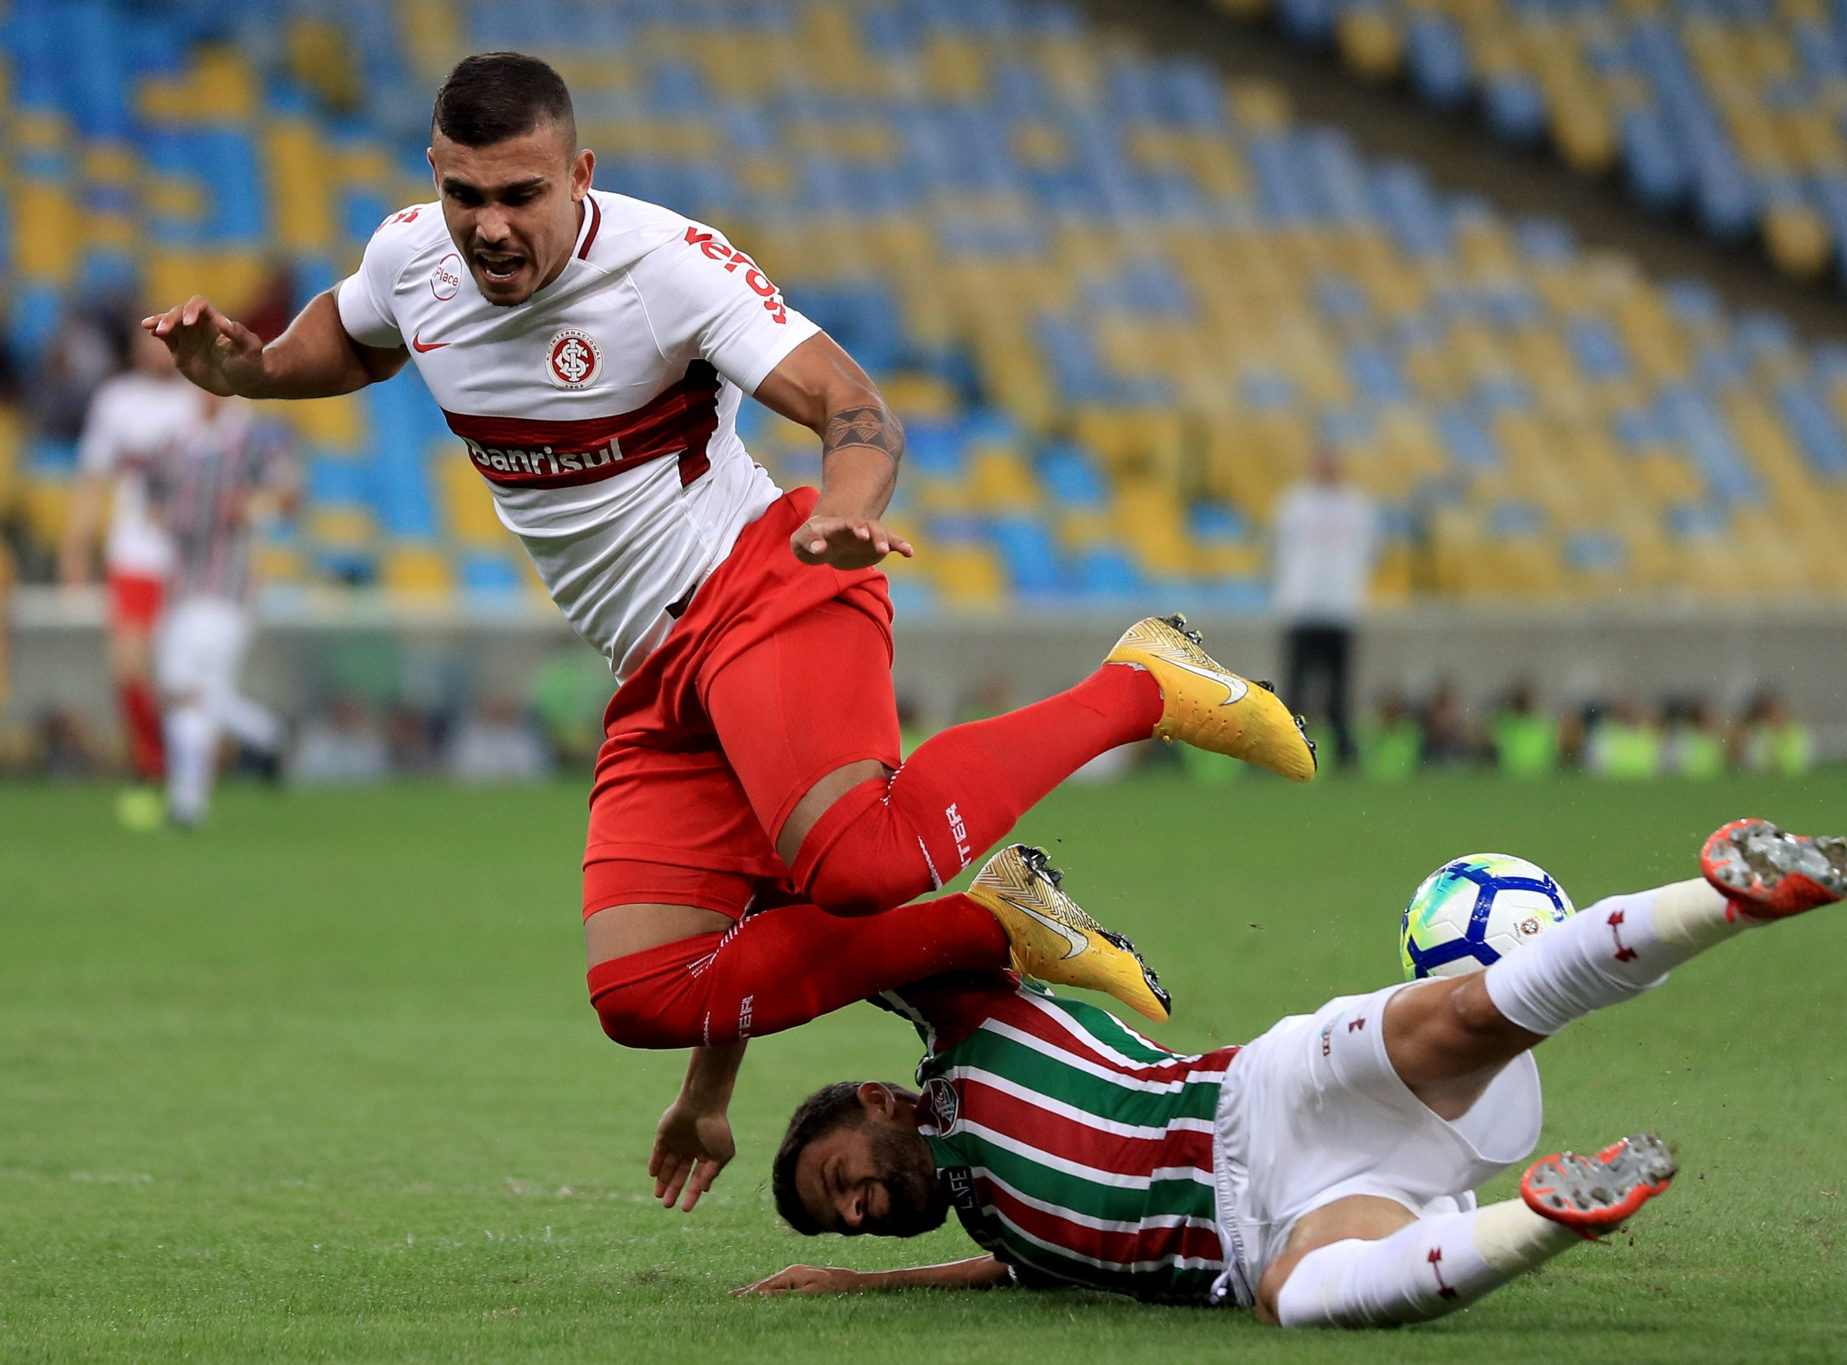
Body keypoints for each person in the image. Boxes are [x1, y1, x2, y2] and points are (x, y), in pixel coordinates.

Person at [140, 51, 1315, 1206]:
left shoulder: (666, 266)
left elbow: (852, 405)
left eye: (521, 196)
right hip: (655, 670)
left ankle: (1143, 686)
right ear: (434, 177)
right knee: (644, 992)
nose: (490, 227)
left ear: (580, 174)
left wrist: (848, 519)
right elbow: (340, 343)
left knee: (850, 864)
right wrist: (243, 372)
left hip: (761, 580)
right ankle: (990, 921)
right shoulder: (409, 258)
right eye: (466, 195)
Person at [748, 819, 1847, 1328]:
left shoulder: (966, 1022)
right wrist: (864, 1287)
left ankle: (1729, 893)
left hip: (1252, 1099)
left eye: (842, 1177)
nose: (859, 1209)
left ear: (878, 1101)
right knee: (1310, 1300)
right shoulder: (998, 1230)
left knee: (1469, 1014)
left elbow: (815, 942)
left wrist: (703, 1087)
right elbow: (1013, 1279)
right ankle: (1550, 1216)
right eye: (846, 1220)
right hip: (1257, 1239)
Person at [59, 330, 198, 827]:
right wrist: (76, 547)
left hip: (191, 560)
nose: (156, 346)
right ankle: (151, 761)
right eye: (150, 336)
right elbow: (93, 477)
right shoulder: (117, 401)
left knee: (185, 677)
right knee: (129, 670)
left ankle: (186, 777)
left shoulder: (201, 398)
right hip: (135, 557)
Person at [143, 392, 293, 826]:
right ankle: (266, 734)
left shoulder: (249, 440)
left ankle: (187, 803)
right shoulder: (175, 443)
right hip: (182, 590)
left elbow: (287, 494)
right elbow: (149, 497)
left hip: (226, 590)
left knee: (188, 692)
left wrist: (252, 507)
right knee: (197, 694)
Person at [1270, 447, 1377, 770]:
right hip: (1302, 607)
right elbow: (1278, 547)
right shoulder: (1294, 504)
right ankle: (1285, 752)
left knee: (1339, 691)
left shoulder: (1358, 506)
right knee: (1295, 688)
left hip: (1340, 609)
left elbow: (1371, 549)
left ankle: (1343, 755)